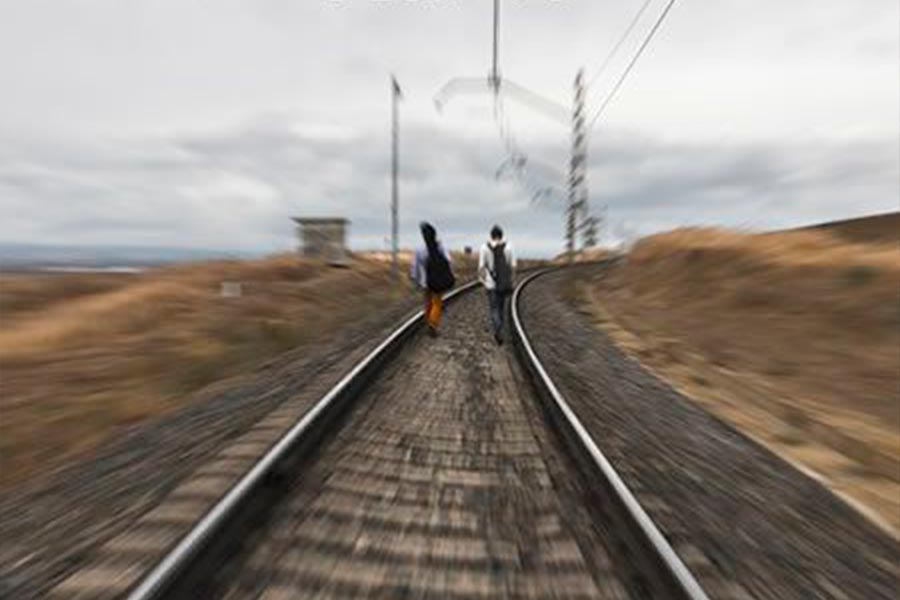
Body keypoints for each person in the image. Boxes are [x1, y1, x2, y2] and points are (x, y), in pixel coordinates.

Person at [410, 222, 455, 336]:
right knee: (437, 303)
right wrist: (450, 274)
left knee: (427, 303)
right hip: (437, 280)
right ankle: (433, 323)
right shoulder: (440, 246)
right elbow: (449, 261)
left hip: (425, 281)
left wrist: (415, 279)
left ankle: (428, 321)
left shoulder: (419, 250)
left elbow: (415, 266)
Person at [478, 225, 516, 345]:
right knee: (501, 307)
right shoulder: (508, 247)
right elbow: (513, 266)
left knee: (493, 308)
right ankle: (500, 328)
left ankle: (497, 328)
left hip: (490, 284)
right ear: (501, 235)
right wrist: (512, 280)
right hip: (503, 283)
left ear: (491, 235)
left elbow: (481, 267)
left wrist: (483, 281)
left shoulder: (484, 247)